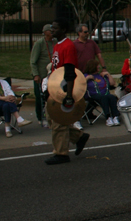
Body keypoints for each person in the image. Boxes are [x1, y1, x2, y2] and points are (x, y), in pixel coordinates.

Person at [44, 18, 90, 165]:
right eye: (52, 27)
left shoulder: (68, 46)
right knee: (51, 117)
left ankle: (61, 153)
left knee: (58, 121)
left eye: (55, 28)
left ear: (63, 30)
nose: (52, 30)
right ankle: (79, 137)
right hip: (55, 87)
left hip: (64, 88)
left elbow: (70, 72)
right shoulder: (57, 45)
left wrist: (69, 95)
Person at [0, 65, 32, 137]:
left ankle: (8, 129)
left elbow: (9, 91)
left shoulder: (4, 82)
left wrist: (12, 97)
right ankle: (18, 119)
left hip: (6, 103)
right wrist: (4, 98)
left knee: (6, 105)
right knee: (7, 103)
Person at [84, 58, 120, 127]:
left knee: (112, 97)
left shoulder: (101, 75)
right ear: (93, 67)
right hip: (93, 95)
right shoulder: (86, 75)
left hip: (105, 94)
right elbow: (81, 85)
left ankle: (115, 116)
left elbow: (112, 83)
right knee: (104, 98)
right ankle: (108, 117)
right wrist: (87, 78)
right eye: (97, 65)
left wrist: (108, 74)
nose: (99, 67)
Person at [30, 23, 54, 127]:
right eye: (50, 31)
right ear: (45, 33)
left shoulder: (55, 42)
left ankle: (52, 115)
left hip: (53, 74)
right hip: (41, 75)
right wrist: (36, 74)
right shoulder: (39, 44)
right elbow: (33, 61)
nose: (52, 33)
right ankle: (41, 117)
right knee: (40, 97)